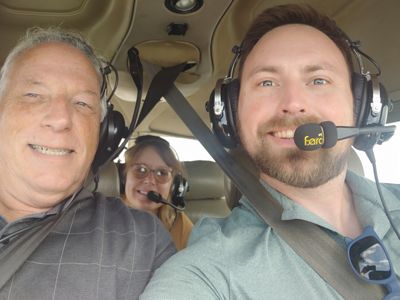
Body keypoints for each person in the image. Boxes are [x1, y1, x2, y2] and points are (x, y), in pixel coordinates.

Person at [140, 4, 400, 299]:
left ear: (363, 107)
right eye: (267, 82)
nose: (292, 101)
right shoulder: (207, 271)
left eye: (318, 80)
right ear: (231, 116)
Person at [0, 27, 175, 299]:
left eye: (82, 103)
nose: (61, 118)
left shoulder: (143, 243)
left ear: (102, 133)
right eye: (33, 95)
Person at [123, 135, 193, 251]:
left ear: (173, 185)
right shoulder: (105, 216)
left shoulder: (180, 225)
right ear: (124, 177)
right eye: (140, 170)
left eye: (162, 173)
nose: (149, 180)